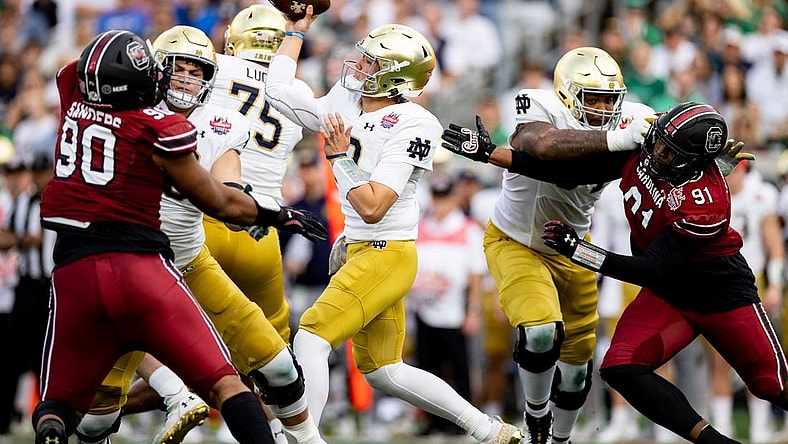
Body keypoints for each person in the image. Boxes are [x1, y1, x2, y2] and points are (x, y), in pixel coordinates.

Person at [33, 29, 325, 444]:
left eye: (196, 70)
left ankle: (307, 440)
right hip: (149, 267)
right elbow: (219, 200)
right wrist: (271, 213)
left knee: (277, 365)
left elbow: (229, 184)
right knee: (99, 419)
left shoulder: (85, 103)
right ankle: (176, 393)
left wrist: (246, 203)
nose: (186, 78)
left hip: (166, 260)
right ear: (153, 71)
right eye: (176, 68)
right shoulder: (155, 123)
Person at [446, 100, 787, 444]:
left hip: (718, 294)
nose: (657, 154)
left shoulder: (706, 202)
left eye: (670, 154)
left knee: (772, 385)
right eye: (658, 143)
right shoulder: (648, 146)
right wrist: (490, 153)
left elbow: (651, 269)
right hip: (670, 294)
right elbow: (571, 174)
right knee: (620, 367)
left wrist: (580, 251)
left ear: (693, 162)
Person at [264, 11, 524, 444]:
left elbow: (373, 206)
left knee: (310, 337)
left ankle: (304, 441)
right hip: (365, 250)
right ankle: (487, 429)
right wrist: (295, 31)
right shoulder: (346, 100)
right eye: (362, 57)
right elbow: (278, 91)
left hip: (387, 250)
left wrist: (339, 158)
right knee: (384, 370)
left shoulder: (414, 123)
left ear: (395, 79)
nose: (357, 66)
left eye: (371, 63)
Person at [441, 46, 655, 444]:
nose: (604, 108)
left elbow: (662, 148)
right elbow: (541, 146)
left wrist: (701, 154)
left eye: (611, 99)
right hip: (516, 239)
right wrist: (618, 138)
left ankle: (562, 440)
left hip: (573, 245)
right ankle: (536, 418)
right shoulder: (538, 104)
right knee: (540, 332)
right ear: (567, 94)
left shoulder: (633, 118)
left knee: (577, 365)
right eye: (593, 98)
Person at [709, 159, 784, 443]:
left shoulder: (760, 195)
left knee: (759, 358)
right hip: (717, 284)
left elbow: (774, 244)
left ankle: (760, 429)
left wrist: (775, 284)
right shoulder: (711, 196)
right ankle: (724, 428)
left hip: (752, 284)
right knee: (719, 361)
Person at [408, 173, 486, 436]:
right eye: (436, 197)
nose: (439, 204)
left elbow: (476, 274)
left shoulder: (468, 229)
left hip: (454, 311)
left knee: (459, 367)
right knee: (427, 368)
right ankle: (433, 421)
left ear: (454, 199)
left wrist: (472, 311)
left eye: (444, 198)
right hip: (423, 309)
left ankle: (462, 422)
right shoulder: (420, 226)